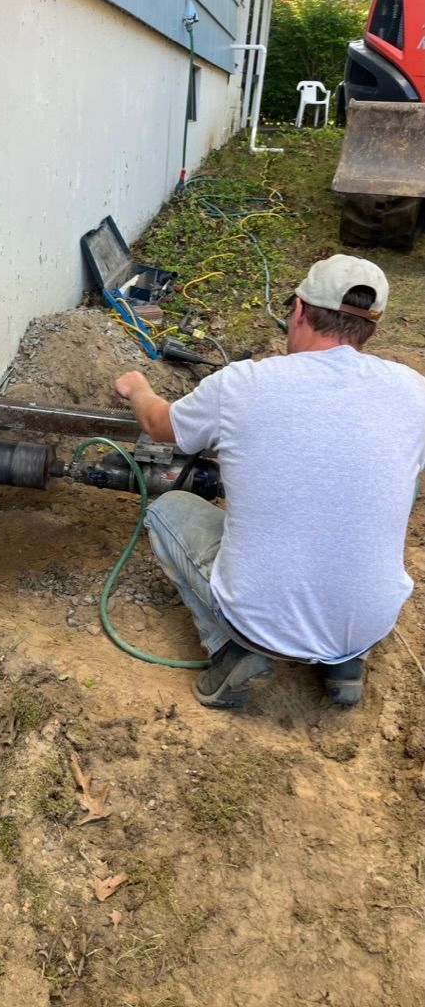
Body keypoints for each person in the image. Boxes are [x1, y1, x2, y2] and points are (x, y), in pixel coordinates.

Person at [115, 254, 425, 710]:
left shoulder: (243, 384)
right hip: (370, 620)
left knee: (166, 511)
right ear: (372, 331)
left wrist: (137, 387)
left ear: (298, 311)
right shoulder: (414, 391)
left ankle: (231, 648)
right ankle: (345, 663)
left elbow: (161, 427)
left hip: (258, 620)